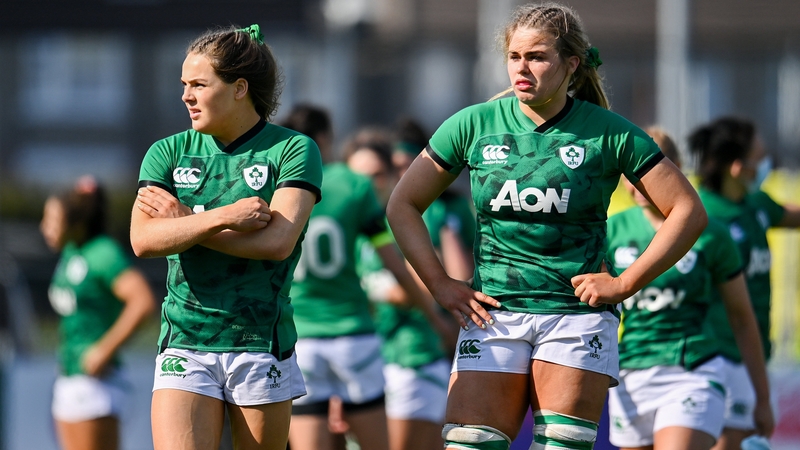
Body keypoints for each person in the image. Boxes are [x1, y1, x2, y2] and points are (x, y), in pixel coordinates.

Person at [385, 3, 708, 449]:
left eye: (537, 57)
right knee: (470, 441)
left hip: (574, 317)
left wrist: (625, 283)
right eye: (515, 56)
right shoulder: (472, 124)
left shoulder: (609, 132)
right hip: (492, 312)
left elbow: (688, 211)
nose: (522, 67)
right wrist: (439, 284)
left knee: (561, 443)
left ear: (571, 64)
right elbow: (402, 204)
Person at [130, 25, 323, 450]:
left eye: (199, 84)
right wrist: (225, 216)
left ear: (239, 88)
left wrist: (184, 223)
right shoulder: (167, 152)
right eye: (184, 85)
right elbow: (144, 240)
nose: (186, 95)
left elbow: (276, 244)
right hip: (184, 340)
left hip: (259, 340)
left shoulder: (292, 150)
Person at [282, 107, 439, 450]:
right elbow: (395, 265)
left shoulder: (276, 188)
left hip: (300, 339)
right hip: (354, 337)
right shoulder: (352, 184)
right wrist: (434, 317)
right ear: (325, 138)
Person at [605, 128, 772, 450]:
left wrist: (761, 398)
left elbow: (742, 318)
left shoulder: (711, 233)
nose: (636, 181)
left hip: (693, 370)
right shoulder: (612, 231)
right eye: (628, 172)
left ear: (674, 167)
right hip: (632, 372)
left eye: (645, 169)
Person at [345, 128, 462, 450]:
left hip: (412, 357)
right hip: (360, 361)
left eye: (377, 175)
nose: (367, 186)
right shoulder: (348, 226)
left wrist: (373, 289)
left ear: (394, 174)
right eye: (357, 177)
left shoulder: (411, 218)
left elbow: (440, 282)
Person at [688, 116, 800, 450]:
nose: (766, 164)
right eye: (760, 157)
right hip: (718, 353)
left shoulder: (755, 204)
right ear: (737, 167)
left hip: (752, 353)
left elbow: (790, 214)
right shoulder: (701, 217)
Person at [41, 175, 156, 450]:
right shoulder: (72, 252)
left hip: (96, 385)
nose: (44, 228)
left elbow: (142, 302)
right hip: (68, 376)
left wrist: (104, 349)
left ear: (76, 222)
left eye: (51, 220)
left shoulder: (103, 253)